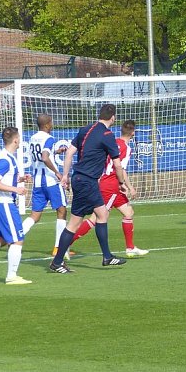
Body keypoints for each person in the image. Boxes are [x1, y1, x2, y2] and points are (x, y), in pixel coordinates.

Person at [49, 104, 133, 273]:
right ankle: (106, 257)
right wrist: (122, 183)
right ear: (113, 118)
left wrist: (65, 175)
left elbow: (70, 153)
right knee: (99, 216)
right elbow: (117, 164)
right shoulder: (107, 135)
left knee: (81, 220)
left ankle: (58, 261)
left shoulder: (85, 129)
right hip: (88, 181)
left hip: (78, 178)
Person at [67, 120, 149, 257]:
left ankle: (130, 247)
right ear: (133, 133)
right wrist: (129, 186)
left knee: (128, 212)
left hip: (108, 183)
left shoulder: (113, 141)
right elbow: (121, 169)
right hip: (111, 186)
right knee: (96, 218)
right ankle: (66, 245)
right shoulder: (126, 149)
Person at [20, 113, 71, 258]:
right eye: (52, 122)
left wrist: (56, 151)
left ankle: (16, 236)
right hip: (50, 181)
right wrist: (57, 173)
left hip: (37, 181)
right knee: (61, 211)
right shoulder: (49, 138)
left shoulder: (32, 138)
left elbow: (40, 155)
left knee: (35, 215)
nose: (53, 124)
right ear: (47, 124)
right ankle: (58, 248)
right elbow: (44, 157)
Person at [0, 127, 33, 284]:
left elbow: (4, 179)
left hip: (1, 203)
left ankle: (12, 276)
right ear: (15, 140)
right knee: (17, 239)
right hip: (4, 203)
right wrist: (16, 189)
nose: (20, 140)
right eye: (19, 137)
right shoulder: (4, 159)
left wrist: (20, 179)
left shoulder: (9, 157)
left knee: (2, 239)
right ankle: (11, 277)